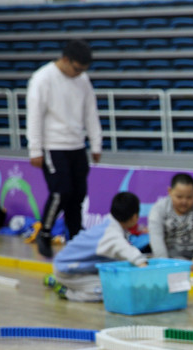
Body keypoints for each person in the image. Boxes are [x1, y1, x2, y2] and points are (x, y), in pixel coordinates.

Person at [26, 39, 102, 258]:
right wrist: (35, 149)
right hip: (53, 146)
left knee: (78, 194)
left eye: (83, 71)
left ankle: (76, 237)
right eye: (77, 69)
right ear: (66, 60)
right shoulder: (43, 79)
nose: (79, 74)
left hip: (76, 145)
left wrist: (95, 143)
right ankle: (45, 233)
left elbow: (91, 112)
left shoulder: (83, 80)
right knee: (61, 192)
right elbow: (35, 116)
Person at [43, 191, 146, 302]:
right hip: (66, 270)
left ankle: (63, 282)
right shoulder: (112, 234)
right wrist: (144, 265)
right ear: (135, 217)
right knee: (108, 291)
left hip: (73, 266)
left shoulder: (109, 223)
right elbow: (128, 252)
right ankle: (66, 291)